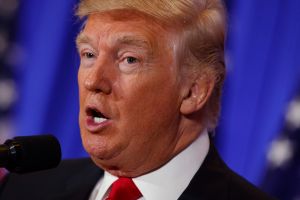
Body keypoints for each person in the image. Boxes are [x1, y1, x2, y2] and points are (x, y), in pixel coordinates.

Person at [0, 0, 275, 199]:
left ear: (194, 91)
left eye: (129, 59)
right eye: (89, 55)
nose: (92, 81)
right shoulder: (23, 189)